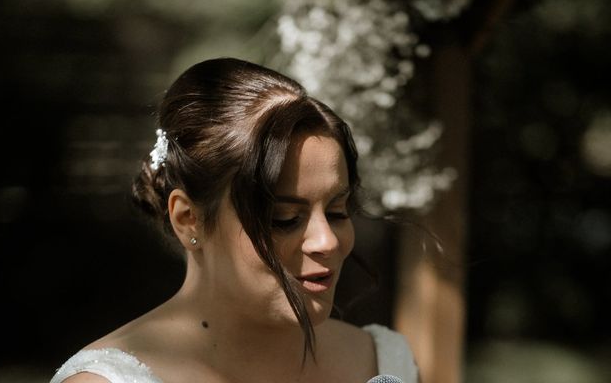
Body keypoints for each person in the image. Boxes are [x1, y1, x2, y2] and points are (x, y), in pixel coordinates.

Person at [50, 58, 418, 383]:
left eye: (338, 211)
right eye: (284, 219)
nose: (328, 241)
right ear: (188, 219)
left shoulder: (379, 360)